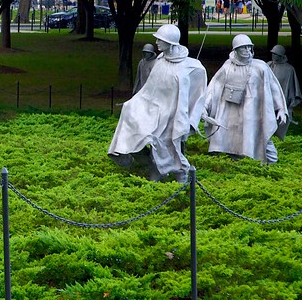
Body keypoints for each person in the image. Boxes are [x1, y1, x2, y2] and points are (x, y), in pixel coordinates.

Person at [108, 24, 206, 183]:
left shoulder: (191, 66)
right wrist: (133, 104)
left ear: (170, 41)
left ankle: (179, 172)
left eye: (160, 39)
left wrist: (192, 118)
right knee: (131, 118)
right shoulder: (160, 61)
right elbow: (149, 90)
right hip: (153, 108)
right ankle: (148, 162)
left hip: (172, 114)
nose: (157, 42)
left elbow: (198, 95)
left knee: (162, 138)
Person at [205, 35, 287, 164]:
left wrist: (281, 108)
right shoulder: (227, 67)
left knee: (259, 134)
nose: (247, 49)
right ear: (235, 49)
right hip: (230, 109)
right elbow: (214, 87)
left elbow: (274, 88)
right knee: (232, 138)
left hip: (253, 109)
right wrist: (205, 106)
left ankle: (270, 165)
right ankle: (238, 164)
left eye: (249, 46)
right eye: (243, 47)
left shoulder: (260, 67)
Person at [268, 44, 301, 141]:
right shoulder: (268, 65)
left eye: (275, 54)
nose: (273, 56)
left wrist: (291, 104)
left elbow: (291, 87)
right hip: (268, 100)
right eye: (272, 54)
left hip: (282, 100)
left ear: (281, 56)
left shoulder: (289, 69)